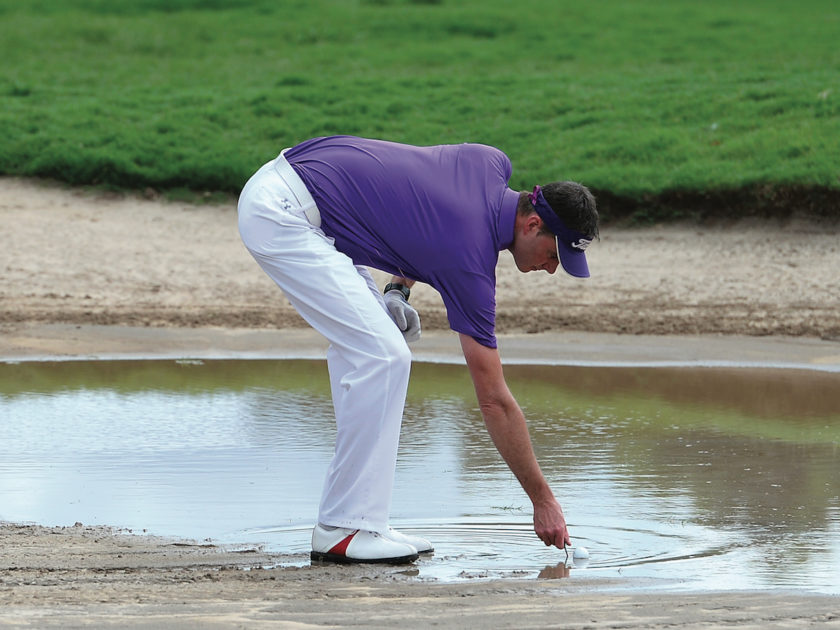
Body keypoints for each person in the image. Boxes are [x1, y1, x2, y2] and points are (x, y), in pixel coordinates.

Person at [237, 135, 599, 564]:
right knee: (384, 356)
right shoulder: (469, 262)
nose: (553, 268)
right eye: (554, 254)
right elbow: (494, 401)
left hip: (298, 179)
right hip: (282, 214)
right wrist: (543, 500)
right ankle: (345, 529)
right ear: (533, 224)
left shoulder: (490, 163)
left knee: (372, 351)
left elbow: (420, 205)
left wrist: (398, 288)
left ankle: (356, 522)